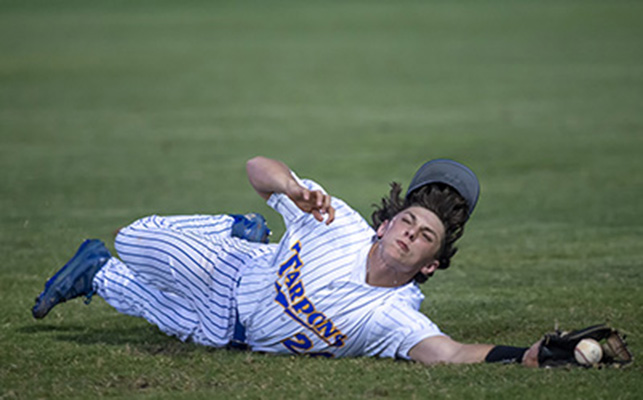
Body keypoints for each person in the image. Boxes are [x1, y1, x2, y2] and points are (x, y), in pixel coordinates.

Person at [32, 156, 540, 366]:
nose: (411, 234)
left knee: (133, 289)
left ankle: (95, 271)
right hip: (229, 266)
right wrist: (292, 189)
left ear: (431, 263)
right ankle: (235, 227)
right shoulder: (334, 220)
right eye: (407, 222)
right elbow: (257, 167)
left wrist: (527, 355)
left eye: (426, 236)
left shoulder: (395, 318)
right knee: (134, 240)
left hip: (224, 333)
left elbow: (449, 354)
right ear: (385, 225)